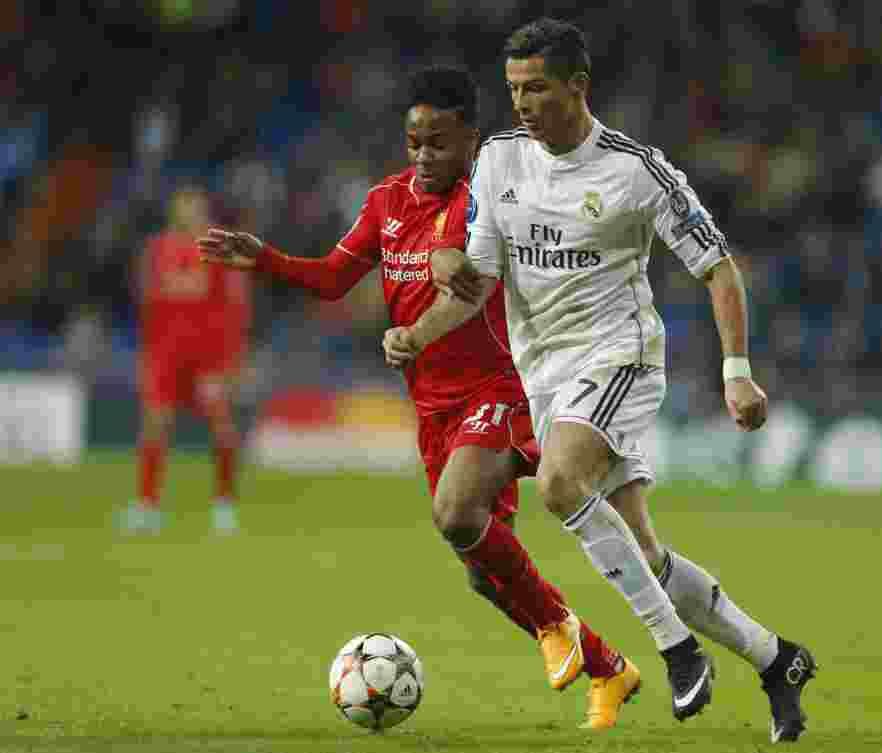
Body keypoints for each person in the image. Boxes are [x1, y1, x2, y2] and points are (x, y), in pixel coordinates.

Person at [383, 20, 816, 742]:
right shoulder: (498, 161)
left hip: (620, 357)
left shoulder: (636, 171)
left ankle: (677, 652)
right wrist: (415, 335)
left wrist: (736, 372)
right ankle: (778, 659)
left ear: (578, 87)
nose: (521, 103)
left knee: (558, 483)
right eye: (514, 89)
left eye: (537, 89)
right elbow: (479, 277)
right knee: (644, 552)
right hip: (545, 372)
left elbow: (716, 266)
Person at [199, 66, 639, 730]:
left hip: (501, 389)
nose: (425, 156)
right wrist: (264, 258)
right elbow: (330, 279)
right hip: (433, 408)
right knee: (483, 572)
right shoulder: (385, 202)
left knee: (457, 510)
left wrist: (433, 288)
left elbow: (459, 265)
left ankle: (559, 620)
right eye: (414, 143)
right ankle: (608, 666)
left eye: (438, 142)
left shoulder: (489, 197)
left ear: (469, 137)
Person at [124, 185, 250, 534]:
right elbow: (148, 306)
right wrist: (146, 356)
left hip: (207, 358)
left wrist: (231, 362)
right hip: (164, 356)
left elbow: (235, 310)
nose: (189, 213)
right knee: (154, 425)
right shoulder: (157, 249)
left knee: (222, 430)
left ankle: (224, 506)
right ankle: (147, 507)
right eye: (184, 207)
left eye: (195, 207)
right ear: (174, 211)